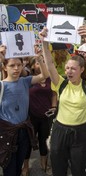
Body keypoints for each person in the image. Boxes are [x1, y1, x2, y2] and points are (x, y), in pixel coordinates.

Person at [40, 26, 86, 176]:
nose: (68, 71)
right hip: (60, 131)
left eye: (73, 69)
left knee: (78, 170)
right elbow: (50, 64)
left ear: (82, 70)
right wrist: (44, 42)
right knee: (58, 169)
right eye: (67, 68)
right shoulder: (61, 83)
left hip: (81, 133)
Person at [0, 44, 49, 176]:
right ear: (4, 67)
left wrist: (39, 58)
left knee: (18, 167)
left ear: (23, 66)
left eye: (18, 65)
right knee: (9, 169)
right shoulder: (1, 85)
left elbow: (45, 75)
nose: (16, 68)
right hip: (7, 134)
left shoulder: (25, 81)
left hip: (24, 132)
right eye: (11, 65)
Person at [21, 56, 58, 176]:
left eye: (43, 62)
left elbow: (53, 93)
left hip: (46, 116)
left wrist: (54, 106)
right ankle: (25, 166)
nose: (41, 64)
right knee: (28, 142)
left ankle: (44, 163)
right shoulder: (28, 79)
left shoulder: (49, 79)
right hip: (30, 117)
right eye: (37, 63)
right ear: (31, 66)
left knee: (44, 140)